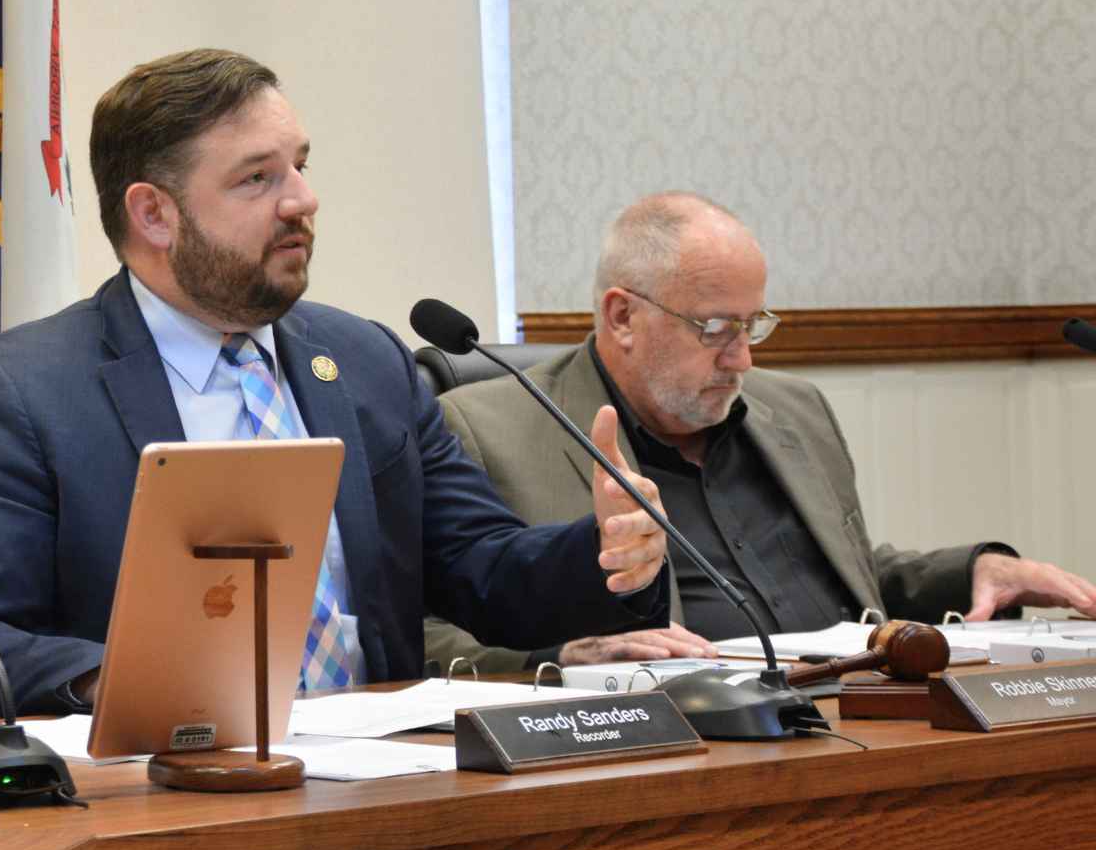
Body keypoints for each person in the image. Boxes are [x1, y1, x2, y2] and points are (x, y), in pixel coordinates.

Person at [0, 48, 671, 725]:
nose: (302, 199)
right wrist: (129, 681)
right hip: (162, 801)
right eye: (258, 178)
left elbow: (482, 570)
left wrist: (603, 551)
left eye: (300, 164)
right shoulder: (25, 392)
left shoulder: (365, 360)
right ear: (154, 214)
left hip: (390, 787)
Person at [429, 191, 1096, 673]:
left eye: (753, 326)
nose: (742, 359)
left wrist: (977, 569)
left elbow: (851, 580)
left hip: (868, 712)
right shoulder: (492, 427)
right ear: (623, 316)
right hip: (682, 750)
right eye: (715, 330)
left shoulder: (794, 407)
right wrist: (557, 659)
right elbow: (431, 634)